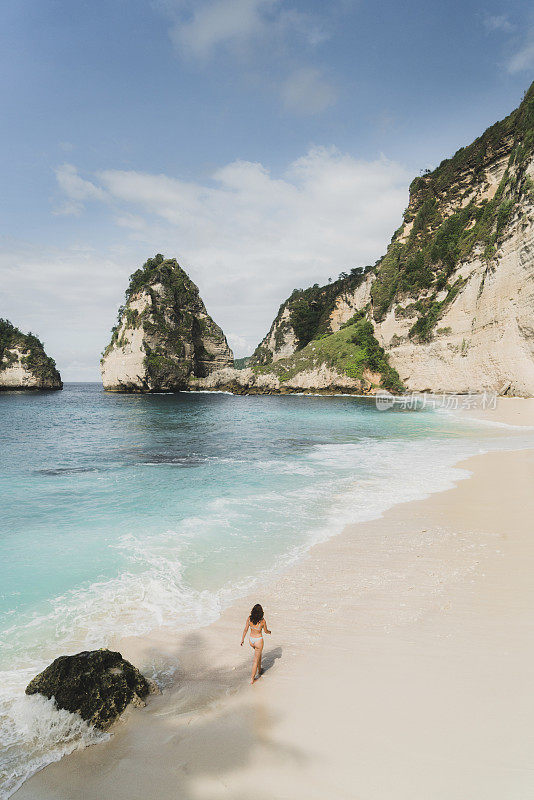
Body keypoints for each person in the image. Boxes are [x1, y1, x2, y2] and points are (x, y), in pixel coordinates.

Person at [241, 603, 271, 684]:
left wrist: (242, 639)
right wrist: (269, 632)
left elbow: (245, 629)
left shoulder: (249, 618)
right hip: (258, 641)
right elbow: (265, 631)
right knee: (255, 660)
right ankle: (252, 679)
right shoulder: (262, 621)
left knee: (259, 655)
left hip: (251, 640)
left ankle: (260, 670)